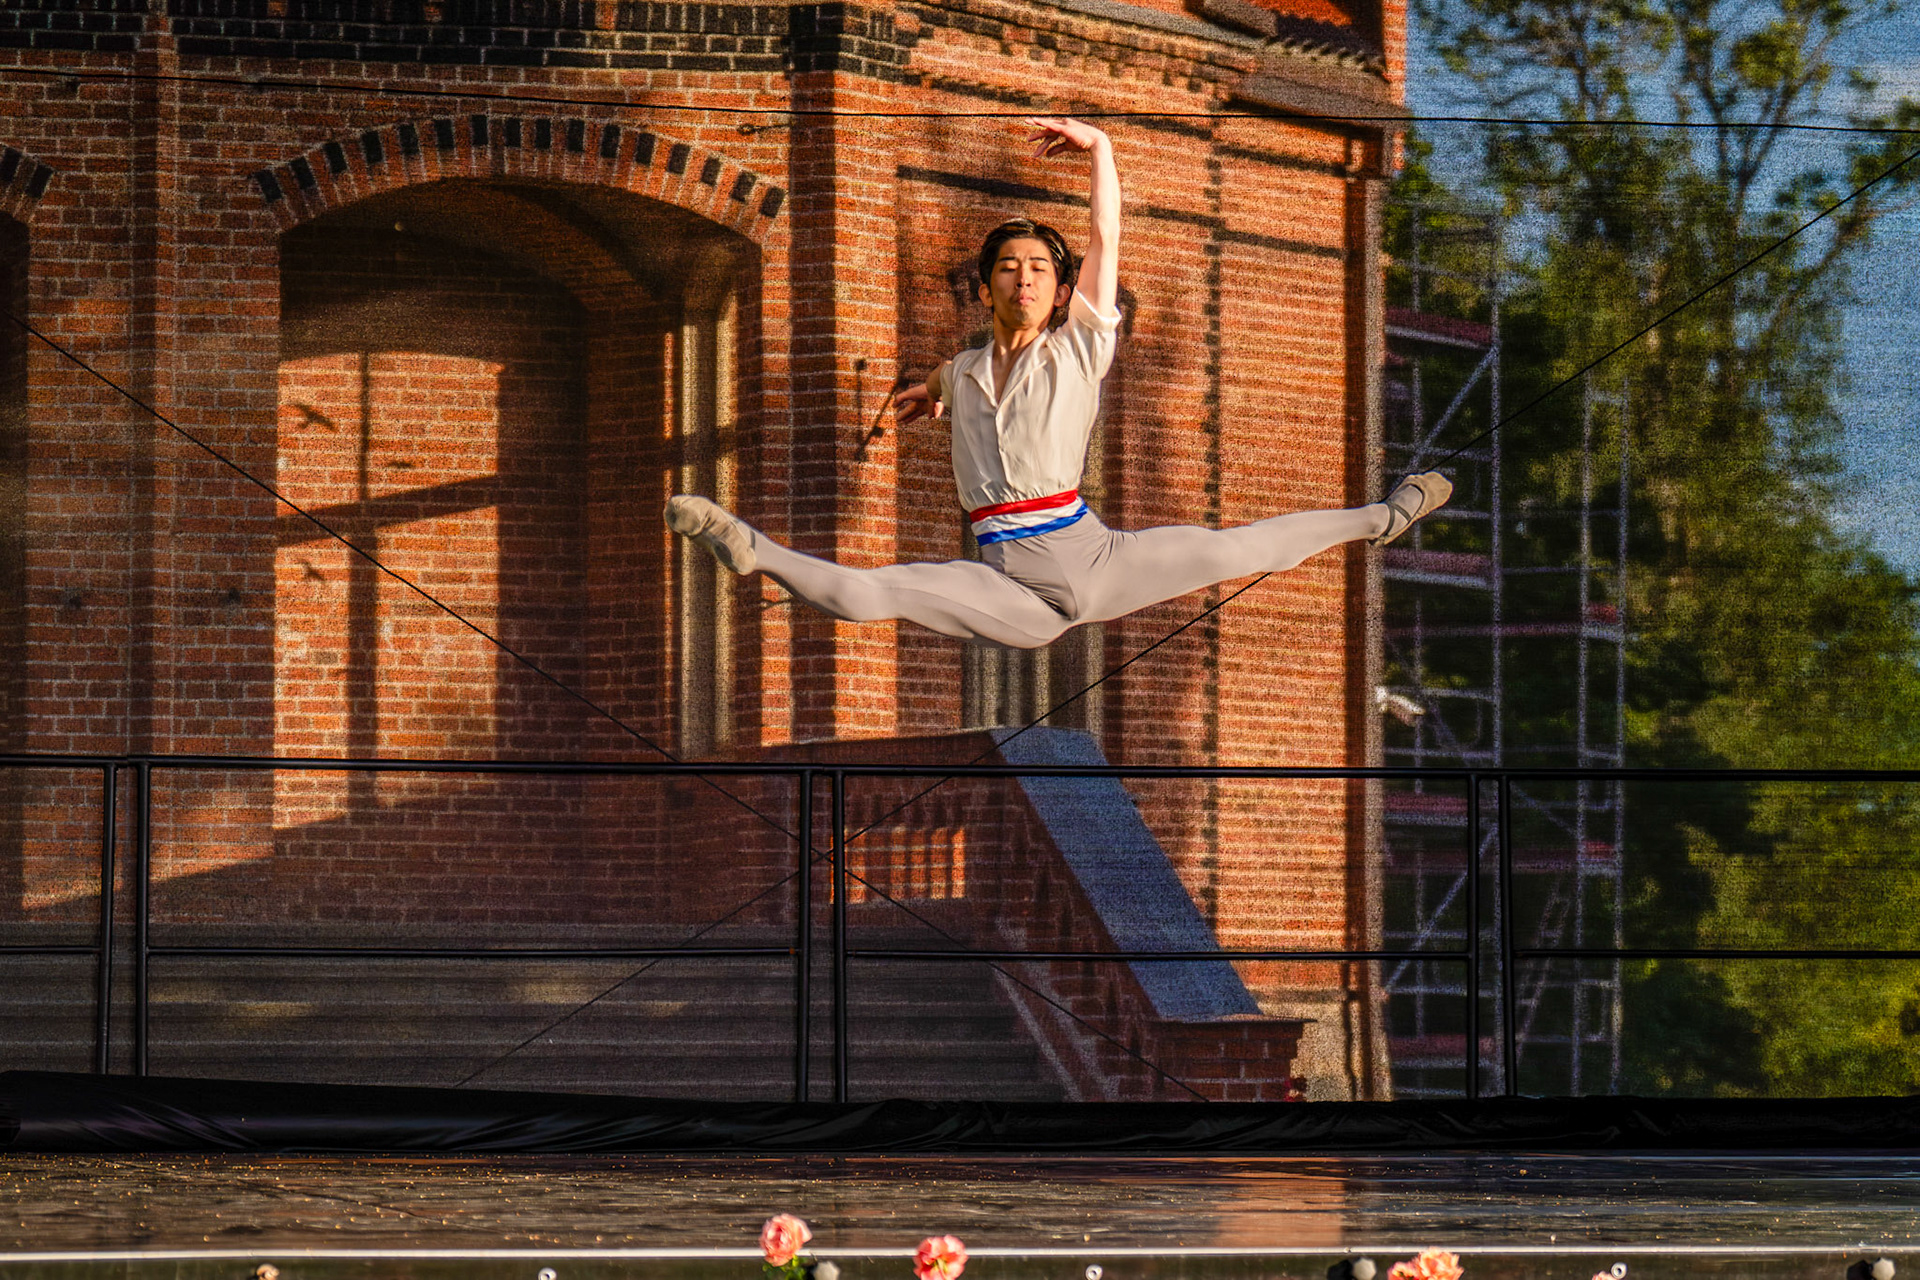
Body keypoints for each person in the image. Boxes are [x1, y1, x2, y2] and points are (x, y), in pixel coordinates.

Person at [665, 117, 1450, 651]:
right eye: (1009, 267)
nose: (1027, 278)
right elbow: (952, 378)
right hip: (1006, 580)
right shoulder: (966, 370)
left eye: (1041, 268)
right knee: (879, 594)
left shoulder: (1079, 348)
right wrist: (929, 392)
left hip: (1095, 557)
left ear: (1063, 290)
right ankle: (752, 549)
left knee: (1243, 545)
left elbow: (1108, 235)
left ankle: (1385, 516)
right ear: (986, 287)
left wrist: (1101, 148)